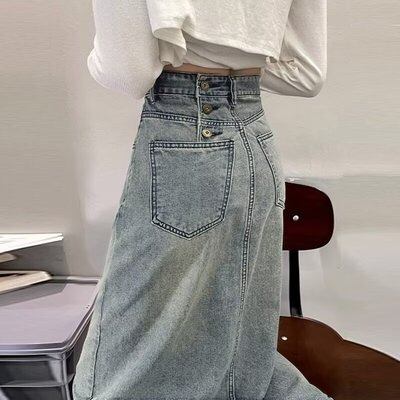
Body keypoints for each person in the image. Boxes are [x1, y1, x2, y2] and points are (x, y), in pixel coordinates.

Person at [72, 1, 332, 399]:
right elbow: (306, 75)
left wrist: (97, 60)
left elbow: (129, 72)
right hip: (256, 142)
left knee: (121, 371)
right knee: (242, 352)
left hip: (186, 136)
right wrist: (237, 63)